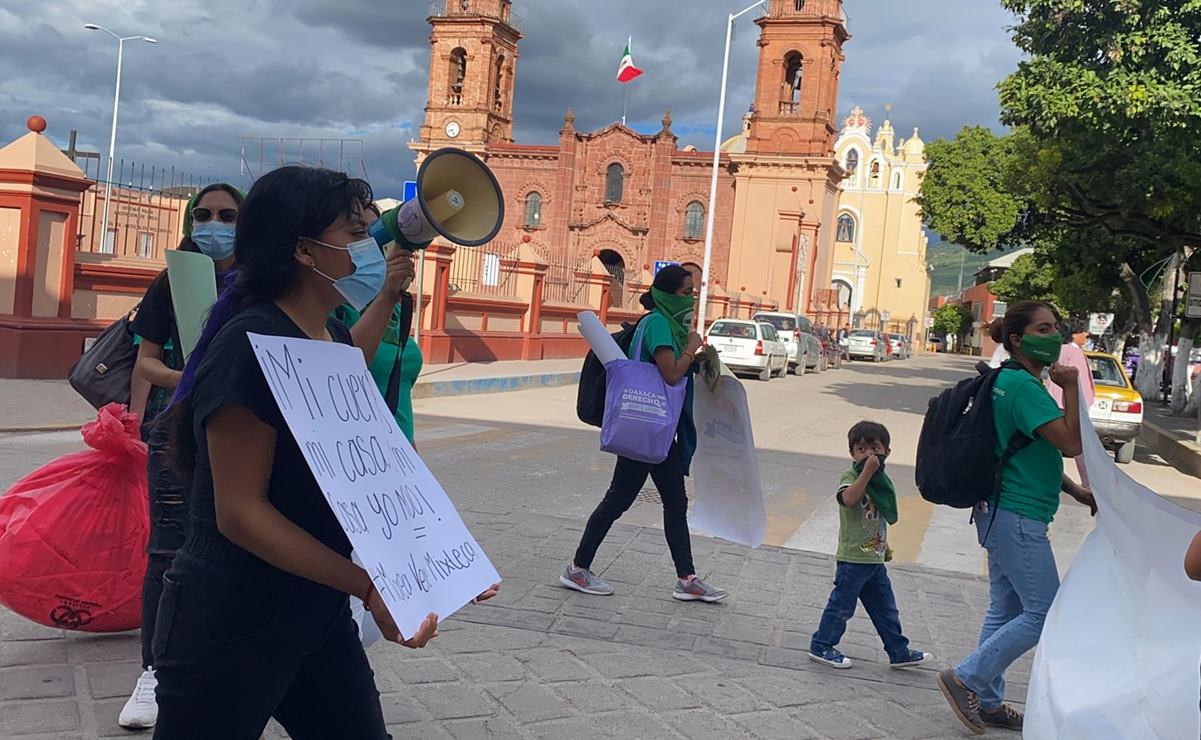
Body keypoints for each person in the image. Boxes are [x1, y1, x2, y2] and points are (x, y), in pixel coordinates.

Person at [149, 166, 497, 739]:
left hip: (313, 611)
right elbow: (240, 513)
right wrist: (366, 585)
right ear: (303, 250)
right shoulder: (247, 344)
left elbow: (344, 373)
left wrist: (438, 560)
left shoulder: (321, 333)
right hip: (230, 619)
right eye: (355, 232)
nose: (368, 245)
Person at [938, 301, 1096, 735]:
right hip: (1017, 516)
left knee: (1006, 609)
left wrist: (1076, 490)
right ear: (1017, 340)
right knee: (1044, 612)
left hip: (999, 510)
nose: (1056, 336)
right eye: (1044, 328)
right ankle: (966, 678)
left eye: (1057, 327)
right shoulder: (1025, 388)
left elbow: (1026, 451)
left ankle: (987, 702)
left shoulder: (1009, 381)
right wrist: (1072, 388)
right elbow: (1067, 443)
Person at [120, 183, 244, 730]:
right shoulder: (173, 281)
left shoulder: (261, 286)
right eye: (204, 214)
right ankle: (153, 673)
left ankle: (227, 664)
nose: (213, 223)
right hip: (177, 427)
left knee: (236, 544)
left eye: (227, 215)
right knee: (167, 551)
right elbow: (145, 362)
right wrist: (189, 381)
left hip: (240, 428)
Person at [561, 265, 727, 602]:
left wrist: (695, 357)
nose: (692, 299)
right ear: (667, 295)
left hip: (655, 429)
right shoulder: (658, 325)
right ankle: (578, 569)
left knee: (666, 501)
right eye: (686, 292)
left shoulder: (662, 324)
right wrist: (692, 348)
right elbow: (669, 374)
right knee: (627, 500)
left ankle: (686, 577)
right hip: (648, 428)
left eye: (693, 292)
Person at [809, 421, 929, 670]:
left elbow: (879, 520)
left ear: (887, 452)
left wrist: (884, 548)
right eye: (862, 449)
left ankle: (898, 651)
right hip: (853, 558)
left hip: (873, 558)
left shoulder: (881, 482)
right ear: (852, 453)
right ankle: (821, 645)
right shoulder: (851, 476)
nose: (869, 455)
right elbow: (850, 499)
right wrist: (866, 473)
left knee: (886, 608)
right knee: (842, 605)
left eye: (875, 448)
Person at [331, 202, 421, 445]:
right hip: (361, 454)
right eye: (359, 233)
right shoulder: (336, 307)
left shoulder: (395, 309)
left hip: (399, 457)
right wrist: (385, 296)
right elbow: (343, 373)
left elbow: (399, 397)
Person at [1048, 319, 1096, 487]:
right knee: (1079, 446)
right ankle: (1088, 483)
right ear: (1075, 334)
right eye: (1084, 332)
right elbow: (1080, 383)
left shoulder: (1057, 350)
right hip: (1069, 404)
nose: (1087, 335)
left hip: (1053, 402)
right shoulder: (1075, 353)